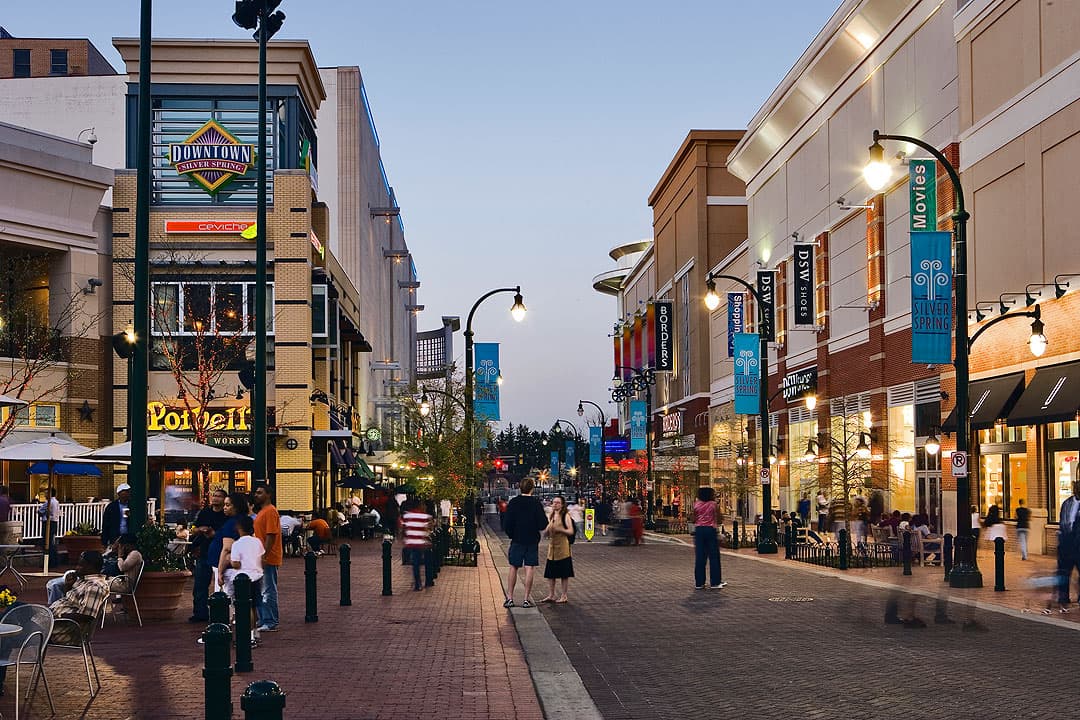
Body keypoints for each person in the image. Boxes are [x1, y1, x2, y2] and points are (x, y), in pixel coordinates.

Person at [502, 477, 548, 609]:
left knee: (513, 567)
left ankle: (510, 597)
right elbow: (543, 523)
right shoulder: (535, 503)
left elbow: (507, 523)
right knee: (529, 568)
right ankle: (526, 599)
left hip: (517, 539)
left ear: (519, 487)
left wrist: (512, 534)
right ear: (532, 488)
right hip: (532, 539)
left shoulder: (514, 502)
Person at [48, 551, 111, 644]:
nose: (77, 568)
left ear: (90, 566)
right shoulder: (83, 580)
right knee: (21, 610)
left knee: (23, 621)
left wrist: (59, 616)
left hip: (61, 632)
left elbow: (86, 616)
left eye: (80, 565)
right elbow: (69, 601)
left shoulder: (94, 586)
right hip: (53, 624)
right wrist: (68, 586)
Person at [223, 514, 263, 647]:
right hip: (258, 575)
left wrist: (228, 560)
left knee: (244, 608)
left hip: (243, 579)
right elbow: (262, 557)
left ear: (239, 528)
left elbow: (236, 564)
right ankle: (255, 633)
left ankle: (248, 636)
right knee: (254, 607)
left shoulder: (237, 544)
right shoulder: (257, 541)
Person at [188, 488, 227, 623]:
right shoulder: (205, 512)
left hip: (221, 553)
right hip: (204, 551)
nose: (215, 498)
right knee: (200, 584)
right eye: (214, 496)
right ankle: (200, 613)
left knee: (221, 584)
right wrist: (200, 530)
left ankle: (222, 612)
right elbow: (194, 529)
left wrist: (214, 533)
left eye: (219, 496)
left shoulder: (226, 514)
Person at [252, 482, 282, 633]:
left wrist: (265, 554)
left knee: (268, 589)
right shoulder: (263, 511)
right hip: (262, 555)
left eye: (260, 492)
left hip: (267, 557)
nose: (256, 495)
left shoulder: (270, 511)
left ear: (268, 494)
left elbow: (271, 535)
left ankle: (270, 621)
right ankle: (264, 619)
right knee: (262, 589)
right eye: (256, 493)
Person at [208, 492, 249, 594]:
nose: (224, 508)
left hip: (227, 567)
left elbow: (227, 548)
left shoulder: (231, 524)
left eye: (228, 505)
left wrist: (220, 571)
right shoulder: (244, 521)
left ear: (236, 507)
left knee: (226, 597)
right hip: (237, 565)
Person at [540, 495, 575, 603]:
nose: (555, 504)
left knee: (564, 573)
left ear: (562, 504)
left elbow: (570, 531)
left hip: (563, 548)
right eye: (554, 502)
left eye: (558, 502)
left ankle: (564, 595)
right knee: (551, 573)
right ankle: (551, 594)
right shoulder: (551, 515)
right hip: (552, 548)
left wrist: (560, 529)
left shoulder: (565, 516)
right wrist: (545, 532)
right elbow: (546, 531)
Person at [692, 486, 725, 590]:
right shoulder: (714, 505)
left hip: (699, 531)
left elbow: (692, 518)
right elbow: (720, 519)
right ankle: (715, 582)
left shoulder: (696, 505)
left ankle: (699, 583)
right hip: (710, 530)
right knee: (714, 556)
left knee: (700, 557)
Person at [1057, 477, 1080, 609]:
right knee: (1063, 573)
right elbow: (1062, 521)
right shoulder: (1067, 503)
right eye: (1075, 488)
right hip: (1066, 545)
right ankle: (1063, 596)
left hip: (1078, 545)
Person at [402, 499, 434, 591]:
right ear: (420, 505)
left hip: (411, 542)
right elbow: (428, 528)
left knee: (415, 563)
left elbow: (403, 528)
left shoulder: (407, 515)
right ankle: (423, 582)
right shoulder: (424, 516)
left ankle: (417, 582)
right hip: (421, 543)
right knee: (421, 562)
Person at [101, 483, 132, 548]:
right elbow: (106, 524)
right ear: (119, 493)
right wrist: (104, 541)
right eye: (125, 491)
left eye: (128, 491)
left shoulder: (131, 505)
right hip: (115, 537)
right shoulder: (112, 507)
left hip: (129, 537)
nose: (128, 493)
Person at [39, 487, 60, 567]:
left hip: (48, 523)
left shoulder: (49, 502)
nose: (45, 495)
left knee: (47, 542)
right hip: (54, 522)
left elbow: (40, 511)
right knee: (52, 542)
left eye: (46, 493)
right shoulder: (56, 502)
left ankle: (49, 562)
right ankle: (54, 561)